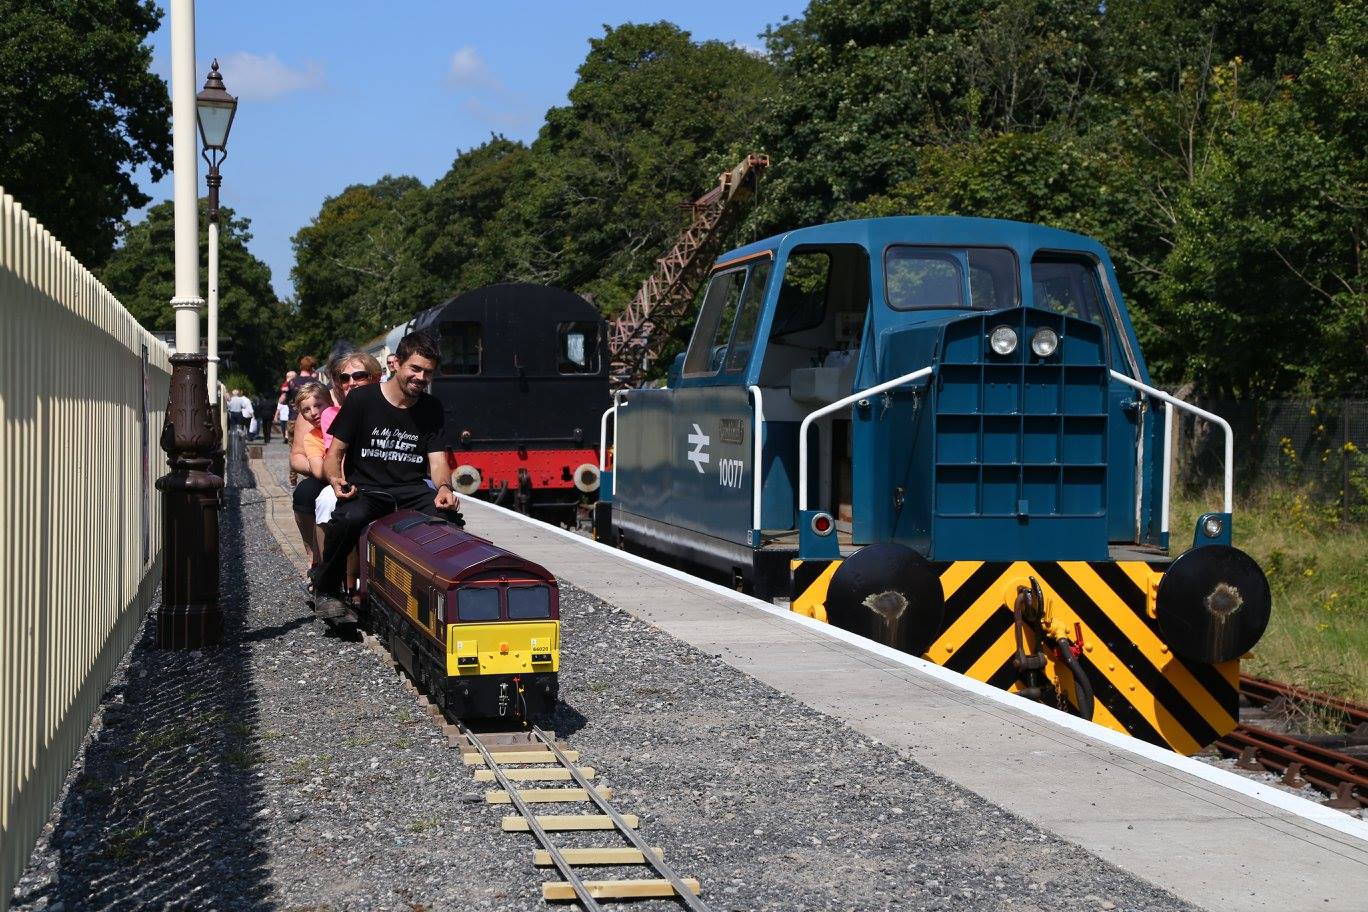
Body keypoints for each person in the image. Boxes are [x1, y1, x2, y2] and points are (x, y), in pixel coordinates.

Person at [312, 333, 459, 619]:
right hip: (368, 489)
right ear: (396, 364)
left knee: (449, 521)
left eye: (427, 372)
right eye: (414, 369)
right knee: (347, 519)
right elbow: (335, 453)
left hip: (411, 488)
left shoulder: (432, 408)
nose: (420, 377)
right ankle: (326, 589)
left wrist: (444, 488)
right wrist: (335, 479)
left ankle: (438, 597)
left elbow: (438, 459)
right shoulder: (362, 399)